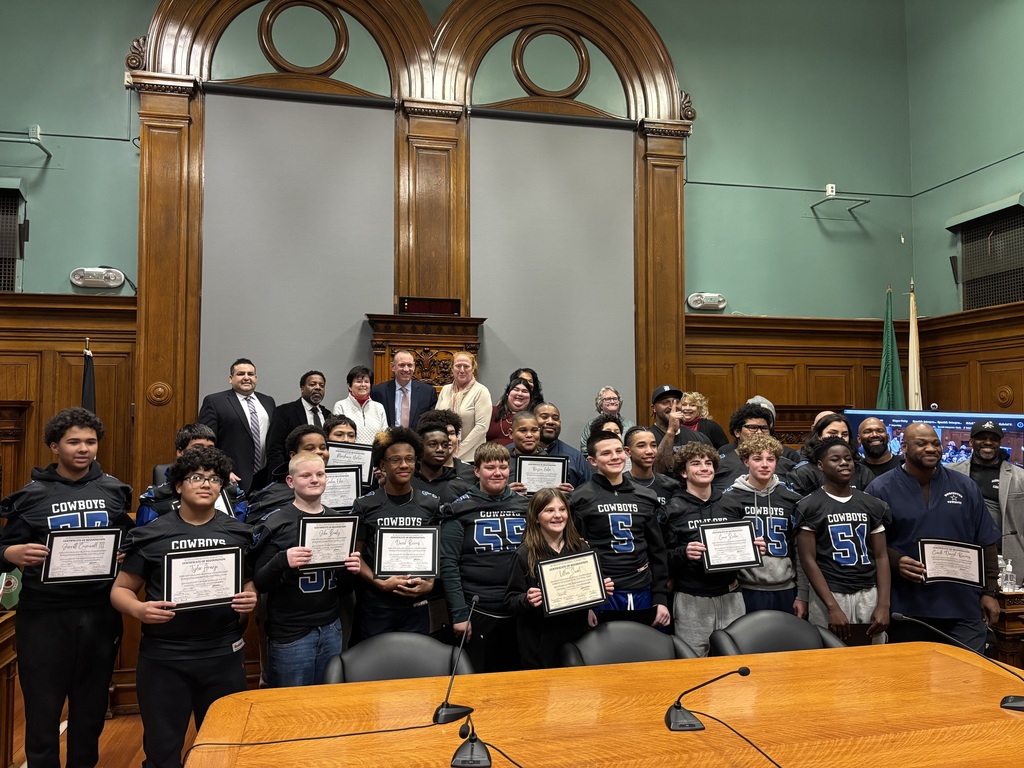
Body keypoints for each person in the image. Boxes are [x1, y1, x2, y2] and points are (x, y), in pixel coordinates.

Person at [0, 407, 133, 768]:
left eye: (90, 441)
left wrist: (126, 553)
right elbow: (1, 552)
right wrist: (11, 551)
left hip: (100, 614)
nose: (83, 448)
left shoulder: (115, 491)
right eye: (73, 441)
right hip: (44, 617)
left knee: (90, 711)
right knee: (43, 712)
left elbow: (131, 541)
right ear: (54, 446)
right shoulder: (30, 496)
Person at [111, 446, 257, 768]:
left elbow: (247, 584)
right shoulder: (150, 535)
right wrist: (138, 610)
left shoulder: (238, 533)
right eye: (196, 477)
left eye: (214, 479)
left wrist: (250, 597)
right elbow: (120, 590)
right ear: (179, 485)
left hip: (223, 653)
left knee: (223, 747)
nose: (206, 484)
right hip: (165, 658)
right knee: (163, 752)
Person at [865, 423, 1001, 653]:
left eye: (935, 444)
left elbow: (986, 539)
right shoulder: (880, 489)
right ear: (904, 448)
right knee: (913, 681)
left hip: (963, 608)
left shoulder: (965, 487)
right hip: (908, 609)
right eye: (922, 443)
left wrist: (989, 592)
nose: (931, 449)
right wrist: (896, 561)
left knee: (969, 678)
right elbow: (870, 544)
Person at [248, 454, 346, 687]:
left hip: (331, 627)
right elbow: (260, 583)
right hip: (291, 632)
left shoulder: (338, 521)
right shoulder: (276, 522)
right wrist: (282, 559)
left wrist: (349, 568)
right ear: (290, 482)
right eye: (306, 475)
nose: (314, 480)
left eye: (320, 474)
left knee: (327, 703)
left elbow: (344, 587)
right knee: (288, 708)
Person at [663, 442, 765, 656]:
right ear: (683, 472)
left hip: (731, 595)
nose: (704, 468)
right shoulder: (671, 510)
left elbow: (745, 544)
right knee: (693, 661)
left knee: (735, 657)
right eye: (696, 463)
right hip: (692, 598)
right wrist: (683, 553)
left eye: (708, 463)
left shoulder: (731, 504)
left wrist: (755, 548)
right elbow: (661, 556)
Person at [439, 442, 529, 672]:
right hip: (478, 610)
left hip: (521, 609)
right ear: (477, 471)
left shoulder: (526, 506)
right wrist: (459, 614)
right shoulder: (460, 510)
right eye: (490, 467)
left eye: (503, 467)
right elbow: (449, 564)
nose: (498, 473)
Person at [570, 431, 671, 628]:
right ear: (592, 460)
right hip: (603, 593)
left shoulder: (646, 496)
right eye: (606, 453)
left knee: (646, 652)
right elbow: (575, 554)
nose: (615, 457)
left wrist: (660, 598)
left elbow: (658, 551)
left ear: (626, 453)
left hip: (642, 589)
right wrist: (586, 602)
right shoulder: (579, 499)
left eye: (618, 451)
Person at [505, 488, 615, 669]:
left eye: (562, 509)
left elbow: (586, 592)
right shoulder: (524, 554)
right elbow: (510, 601)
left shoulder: (581, 548)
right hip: (540, 644)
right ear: (535, 516)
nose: (558, 515)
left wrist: (601, 590)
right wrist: (527, 599)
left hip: (578, 637)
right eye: (549, 510)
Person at [346, 427, 440, 637]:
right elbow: (356, 557)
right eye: (396, 460)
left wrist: (430, 584)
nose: (404, 465)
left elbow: (436, 553)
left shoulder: (431, 503)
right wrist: (379, 582)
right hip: (377, 605)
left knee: (416, 666)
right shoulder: (365, 504)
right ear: (382, 465)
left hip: (417, 604)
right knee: (376, 666)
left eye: (409, 459)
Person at [795, 438, 891, 642]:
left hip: (868, 591)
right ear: (821, 465)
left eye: (848, 458)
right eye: (835, 459)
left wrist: (883, 605)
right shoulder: (809, 506)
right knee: (829, 658)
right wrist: (832, 607)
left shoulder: (872, 504)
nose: (844, 463)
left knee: (873, 657)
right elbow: (808, 561)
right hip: (830, 592)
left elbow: (881, 556)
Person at [718, 434, 807, 616]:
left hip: (785, 587)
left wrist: (803, 595)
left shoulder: (792, 499)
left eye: (771, 459)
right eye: (757, 459)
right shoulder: (729, 499)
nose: (765, 465)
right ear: (745, 462)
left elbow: (800, 552)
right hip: (745, 588)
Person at [137, 423, 247, 526]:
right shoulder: (156, 499)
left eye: (210, 449)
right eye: (197, 448)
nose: (205, 453)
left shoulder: (233, 493)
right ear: (180, 453)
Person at [950, 419, 1024, 569]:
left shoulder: (1020, 477)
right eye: (982, 437)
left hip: (1007, 558)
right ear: (971, 441)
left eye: (994, 439)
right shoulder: (951, 473)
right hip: (961, 554)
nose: (988, 442)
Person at [198, 357, 277, 492]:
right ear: (231, 378)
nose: (246, 378)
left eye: (250, 374)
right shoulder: (215, 401)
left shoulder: (268, 401)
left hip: (265, 479)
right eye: (241, 374)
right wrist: (222, 470)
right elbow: (206, 443)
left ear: (256, 378)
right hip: (232, 477)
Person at [246, 426, 330, 520]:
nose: (319, 452)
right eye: (309, 449)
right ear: (293, 455)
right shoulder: (272, 496)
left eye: (323, 448)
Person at [264, 370, 332, 481]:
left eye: (321, 385)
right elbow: (274, 449)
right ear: (302, 389)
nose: (318, 387)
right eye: (312, 384)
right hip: (291, 477)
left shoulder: (328, 415)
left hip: (320, 477)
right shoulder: (284, 412)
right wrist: (281, 478)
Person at [712, 403, 796, 493]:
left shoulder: (786, 465)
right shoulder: (719, 464)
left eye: (764, 428)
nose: (759, 432)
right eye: (752, 427)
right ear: (737, 432)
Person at [788, 413, 875, 496]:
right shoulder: (803, 473)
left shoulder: (863, 472)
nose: (839, 437)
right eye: (833, 433)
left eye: (845, 434)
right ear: (819, 436)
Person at [437, 351, 492, 462]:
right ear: (452, 368)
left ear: (473, 369)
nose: (462, 370)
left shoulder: (481, 391)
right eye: (458, 366)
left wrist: (457, 451)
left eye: (466, 366)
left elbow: (482, 427)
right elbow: (436, 420)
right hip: (444, 455)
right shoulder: (445, 389)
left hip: (471, 457)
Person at [371, 349, 438, 429]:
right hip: (388, 439)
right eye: (402, 365)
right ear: (392, 367)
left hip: (417, 440)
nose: (406, 369)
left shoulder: (428, 393)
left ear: (414, 367)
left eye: (409, 365)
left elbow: (431, 423)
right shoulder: (378, 392)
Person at [536, 402, 593, 487]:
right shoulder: (514, 452)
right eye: (544, 417)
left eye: (555, 418)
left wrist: (573, 495)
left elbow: (589, 492)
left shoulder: (575, 457)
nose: (550, 422)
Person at [623, 426, 679, 506]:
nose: (649, 451)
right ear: (627, 451)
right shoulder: (619, 484)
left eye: (653, 445)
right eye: (641, 446)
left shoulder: (671, 485)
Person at [417, 408, 477, 484]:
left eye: (452, 433)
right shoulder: (414, 472)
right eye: (441, 434)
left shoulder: (470, 473)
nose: (447, 439)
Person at [332, 365, 388, 445]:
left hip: (375, 456)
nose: (363, 385)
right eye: (358, 381)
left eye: (366, 381)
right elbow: (338, 435)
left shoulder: (379, 407)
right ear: (349, 386)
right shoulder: (340, 406)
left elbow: (384, 436)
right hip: (349, 454)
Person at [578, 386, 636, 453]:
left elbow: (634, 447)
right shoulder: (591, 425)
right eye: (608, 399)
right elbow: (585, 450)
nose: (612, 402)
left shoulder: (629, 424)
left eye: (615, 399)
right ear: (600, 404)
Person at [486, 376, 535, 443]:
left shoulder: (534, 417)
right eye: (516, 389)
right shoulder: (491, 411)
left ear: (530, 397)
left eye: (525, 391)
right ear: (507, 393)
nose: (520, 394)